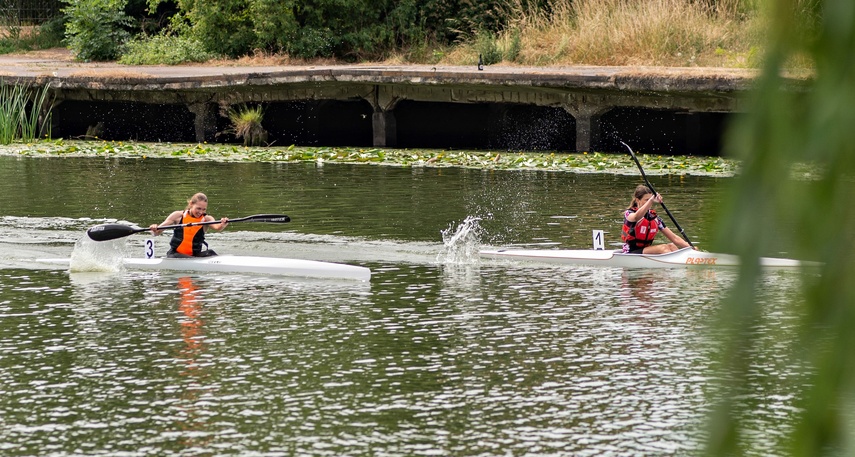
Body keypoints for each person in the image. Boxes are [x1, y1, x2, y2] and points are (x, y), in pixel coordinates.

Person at [149, 192, 229, 258]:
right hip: (175, 254)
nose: (201, 212)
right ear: (191, 204)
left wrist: (223, 224)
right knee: (189, 258)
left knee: (210, 252)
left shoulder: (207, 219)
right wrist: (154, 228)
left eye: (204, 209)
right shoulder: (177, 216)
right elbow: (156, 233)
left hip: (195, 255)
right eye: (198, 208)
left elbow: (217, 227)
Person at [621, 185, 692, 254]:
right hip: (630, 251)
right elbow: (636, 217)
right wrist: (651, 200)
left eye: (650, 200)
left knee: (672, 246)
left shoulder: (654, 218)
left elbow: (674, 238)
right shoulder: (629, 213)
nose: (650, 202)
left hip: (645, 250)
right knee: (663, 248)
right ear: (637, 200)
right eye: (646, 200)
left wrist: (691, 248)